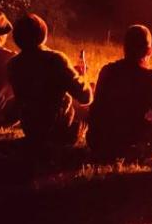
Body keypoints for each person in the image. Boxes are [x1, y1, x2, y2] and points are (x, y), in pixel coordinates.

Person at [6, 13, 92, 148]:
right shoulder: (56, 59)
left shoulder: (13, 64)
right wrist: (81, 77)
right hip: (59, 131)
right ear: (43, 34)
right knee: (92, 100)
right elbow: (85, 97)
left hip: (31, 130)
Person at [88, 24, 152, 162]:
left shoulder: (108, 71)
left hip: (99, 142)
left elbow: (96, 109)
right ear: (149, 50)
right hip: (130, 144)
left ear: (124, 47)